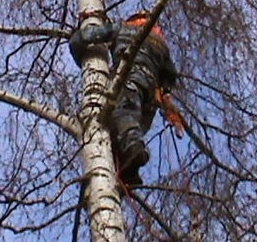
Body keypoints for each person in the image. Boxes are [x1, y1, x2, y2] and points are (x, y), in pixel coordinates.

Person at [69, 11, 183, 185]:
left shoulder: (122, 28)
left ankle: (132, 153)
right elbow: (171, 76)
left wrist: (79, 51)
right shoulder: (161, 45)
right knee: (127, 127)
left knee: (124, 115)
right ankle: (128, 170)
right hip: (150, 93)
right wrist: (165, 95)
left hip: (129, 77)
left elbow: (86, 37)